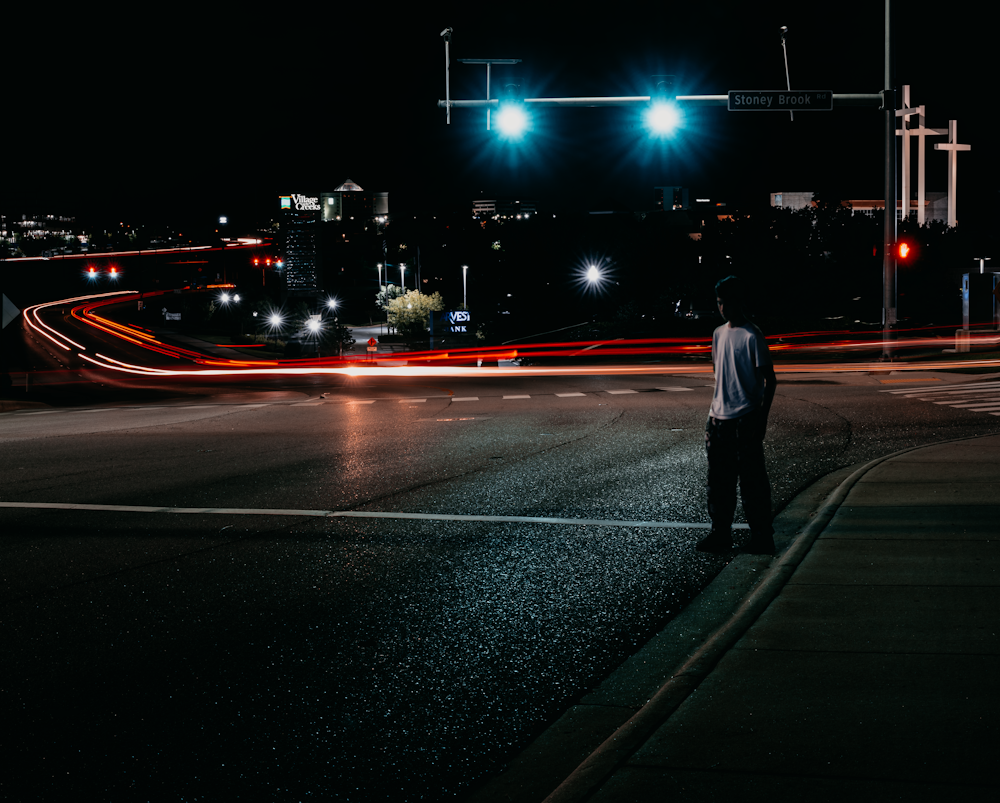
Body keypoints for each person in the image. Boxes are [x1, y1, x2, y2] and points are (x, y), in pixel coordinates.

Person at [696, 275, 777, 555]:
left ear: (739, 302)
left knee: (751, 481)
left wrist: (762, 418)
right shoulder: (718, 334)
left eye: (727, 303)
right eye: (719, 303)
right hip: (719, 418)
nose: (722, 308)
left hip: (745, 417)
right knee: (719, 480)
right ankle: (721, 534)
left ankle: (762, 536)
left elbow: (771, 379)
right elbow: (720, 377)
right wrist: (712, 416)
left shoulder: (752, 334)